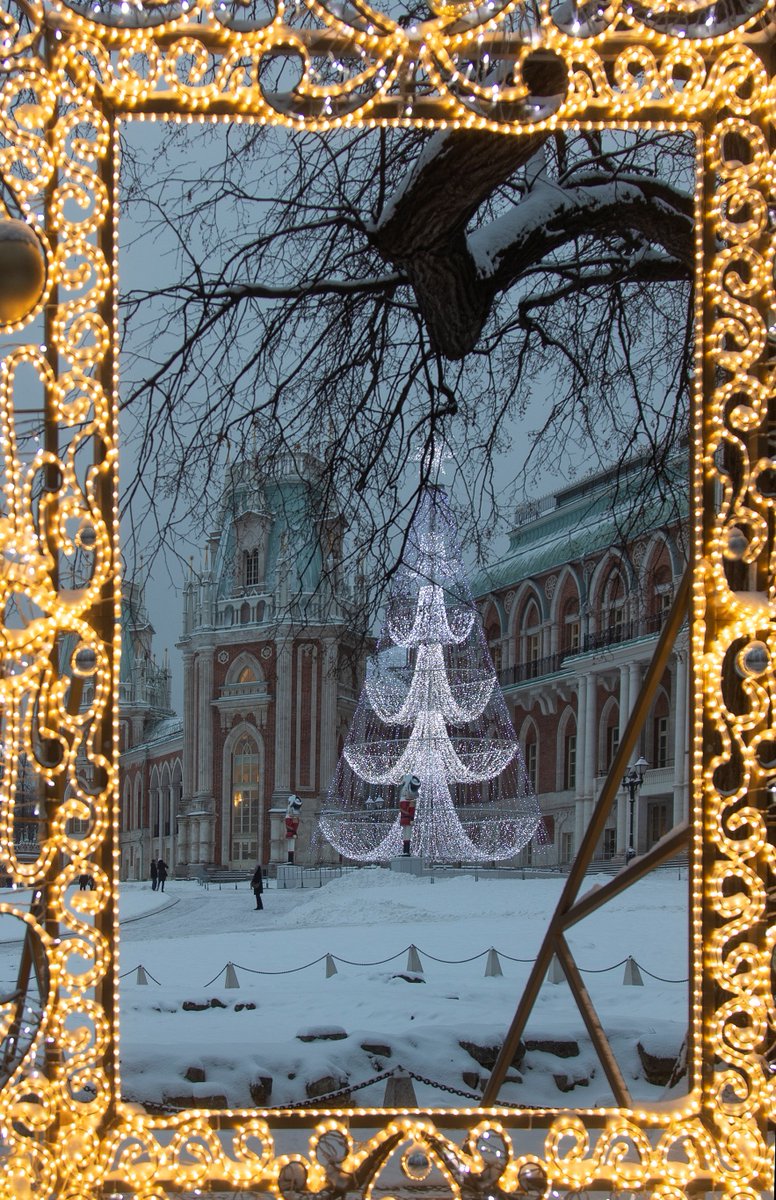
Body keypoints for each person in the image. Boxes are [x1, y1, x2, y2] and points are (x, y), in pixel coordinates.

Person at [399, 774, 420, 855]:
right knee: (405, 834)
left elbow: (411, 810)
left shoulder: (411, 801)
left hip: (407, 818)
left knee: (407, 834)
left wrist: (411, 819)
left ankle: (406, 850)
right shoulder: (405, 799)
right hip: (405, 818)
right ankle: (405, 850)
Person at [285, 795, 302, 863]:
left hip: (291, 833)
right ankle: (290, 860)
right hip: (290, 832)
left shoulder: (294, 817)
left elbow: (294, 826)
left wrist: (293, 831)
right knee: (290, 846)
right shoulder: (291, 815)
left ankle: (290, 860)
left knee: (291, 847)